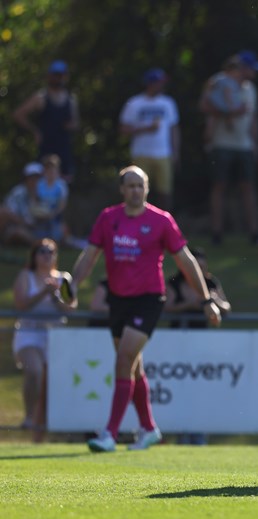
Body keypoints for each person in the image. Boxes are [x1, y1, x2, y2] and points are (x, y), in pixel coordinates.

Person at [70, 165, 222, 453]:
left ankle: (109, 434)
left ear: (147, 189)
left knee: (125, 358)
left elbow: (186, 261)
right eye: (130, 185)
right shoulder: (108, 218)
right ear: (122, 190)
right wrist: (75, 285)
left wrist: (205, 300)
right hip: (118, 300)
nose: (135, 190)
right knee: (133, 366)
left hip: (149, 299)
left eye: (140, 185)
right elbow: (89, 255)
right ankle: (149, 428)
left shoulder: (161, 220)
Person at [12, 238, 76, 441]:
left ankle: (42, 430)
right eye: (42, 251)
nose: (46, 255)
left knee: (53, 383)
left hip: (56, 335)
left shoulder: (64, 278)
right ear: (34, 256)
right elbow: (21, 304)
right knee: (34, 370)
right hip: (29, 332)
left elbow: (71, 306)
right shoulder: (26, 276)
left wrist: (56, 296)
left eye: (51, 251)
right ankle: (30, 416)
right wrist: (43, 293)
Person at [165, 247, 230, 444]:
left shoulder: (210, 283)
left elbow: (226, 307)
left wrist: (212, 300)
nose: (200, 271)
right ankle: (180, 434)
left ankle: (198, 435)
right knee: (179, 388)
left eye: (203, 267)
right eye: (196, 266)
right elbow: (166, 306)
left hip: (201, 343)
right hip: (177, 342)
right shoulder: (174, 283)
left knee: (199, 389)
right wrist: (191, 304)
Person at [200, 50, 258, 246]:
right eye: (252, 68)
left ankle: (254, 234)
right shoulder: (218, 82)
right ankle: (216, 234)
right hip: (221, 144)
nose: (254, 72)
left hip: (244, 145)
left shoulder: (251, 89)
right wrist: (230, 113)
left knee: (248, 188)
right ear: (242, 68)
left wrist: (255, 143)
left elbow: (253, 118)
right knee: (219, 187)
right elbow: (204, 106)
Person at [119, 68, 181, 210]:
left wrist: (175, 152)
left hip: (163, 154)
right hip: (141, 153)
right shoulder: (135, 103)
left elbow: (174, 129)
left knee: (165, 192)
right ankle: (139, 222)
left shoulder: (168, 103)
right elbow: (123, 129)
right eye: (159, 83)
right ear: (150, 84)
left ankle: (165, 225)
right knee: (137, 191)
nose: (162, 86)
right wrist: (145, 129)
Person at [13, 60, 80, 182]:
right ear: (49, 76)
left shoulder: (70, 99)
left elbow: (76, 124)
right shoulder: (41, 97)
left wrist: (70, 126)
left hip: (64, 152)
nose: (58, 79)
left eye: (61, 75)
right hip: (45, 151)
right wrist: (34, 131)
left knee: (63, 187)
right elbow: (19, 114)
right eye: (55, 75)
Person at [2, 162, 47, 247]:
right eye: (32, 178)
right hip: (17, 228)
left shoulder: (45, 195)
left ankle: (39, 245)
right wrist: (22, 223)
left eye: (37, 178)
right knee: (3, 213)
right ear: (26, 179)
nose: (34, 181)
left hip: (37, 232)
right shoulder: (18, 192)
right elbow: (9, 212)